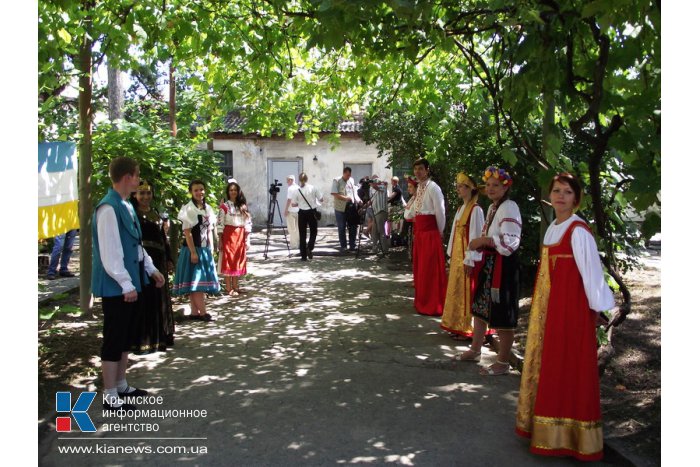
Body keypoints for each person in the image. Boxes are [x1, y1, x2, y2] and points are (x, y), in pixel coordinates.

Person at [515, 173, 615, 461]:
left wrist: (596, 309)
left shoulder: (579, 231)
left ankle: (574, 438)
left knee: (570, 367)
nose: (560, 196)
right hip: (551, 307)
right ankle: (551, 430)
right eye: (556, 190)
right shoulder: (553, 228)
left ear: (576, 198)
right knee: (553, 364)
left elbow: (592, 273)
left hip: (571, 310)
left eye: (567, 192)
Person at [91, 156, 165, 410]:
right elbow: (110, 254)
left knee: (125, 337)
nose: (139, 179)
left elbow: (135, 246)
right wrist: (125, 284)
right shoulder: (108, 208)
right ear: (127, 177)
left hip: (129, 284)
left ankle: (121, 385)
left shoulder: (127, 205)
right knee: (114, 338)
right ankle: (110, 394)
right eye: (137, 175)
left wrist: (151, 269)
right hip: (116, 287)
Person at [453, 166, 521, 376]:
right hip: (490, 264)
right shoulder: (493, 207)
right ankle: (475, 349)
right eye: (489, 185)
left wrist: (484, 241)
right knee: (480, 309)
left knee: (502, 314)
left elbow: (511, 241)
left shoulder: (509, 207)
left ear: (505, 187)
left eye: (496, 185)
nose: (490, 189)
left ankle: (502, 362)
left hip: (503, 267)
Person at [129, 180, 175, 353]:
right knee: (145, 298)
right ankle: (143, 340)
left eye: (148, 193)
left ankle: (160, 337)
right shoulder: (132, 214)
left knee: (158, 299)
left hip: (159, 261)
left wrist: (169, 258)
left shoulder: (156, 213)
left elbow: (163, 238)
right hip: (141, 262)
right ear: (135, 195)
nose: (146, 196)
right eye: (142, 193)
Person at [440, 173, 484, 340]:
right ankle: (456, 324)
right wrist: (450, 254)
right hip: (458, 257)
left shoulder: (476, 210)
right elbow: (453, 234)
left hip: (467, 257)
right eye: (457, 186)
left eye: (461, 186)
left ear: (470, 188)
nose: (458, 189)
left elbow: (476, 235)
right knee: (457, 290)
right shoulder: (460, 209)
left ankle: (468, 328)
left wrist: (471, 258)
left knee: (467, 291)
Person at [403, 158, 447, 316]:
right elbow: (414, 210)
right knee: (421, 269)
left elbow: (440, 212)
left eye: (421, 169)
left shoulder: (433, 188)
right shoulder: (420, 188)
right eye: (416, 169)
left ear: (427, 170)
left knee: (430, 270)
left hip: (430, 233)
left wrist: (439, 231)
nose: (418, 172)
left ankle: (433, 304)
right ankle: (422, 302)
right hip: (420, 233)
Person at [172, 180, 220, 321]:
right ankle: (203, 312)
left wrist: (210, 248)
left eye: (201, 189)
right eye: (196, 190)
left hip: (204, 249)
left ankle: (194, 312)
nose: (200, 192)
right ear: (191, 192)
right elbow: (188, 233)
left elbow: (209, 230)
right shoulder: (189, 209)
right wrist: (193, 252)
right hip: (192, 249)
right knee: (197, 282)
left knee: (196, 282)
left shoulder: (208, 208)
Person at [217, 181, 252, 296]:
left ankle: (236, 286)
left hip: (240, 235)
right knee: (228, 260)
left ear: (238, 192)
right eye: (231, 190)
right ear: (228, 192)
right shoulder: (224, 206)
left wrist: (247, 239)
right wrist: (220, 239)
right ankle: (228, 288)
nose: (233, 192)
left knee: (237, 260)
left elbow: (247, 223)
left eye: (235, 190)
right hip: (228, 235)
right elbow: (220, 223)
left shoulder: (242, 206)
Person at [291, 172, 324, 261]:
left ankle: (303, 256)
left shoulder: (297, 190)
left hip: (301, 213)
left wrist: (300, 203)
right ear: (307, 179)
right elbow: (321, 199)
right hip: (312, 212)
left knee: (302, 234)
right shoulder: (313, 188)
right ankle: (310, 247)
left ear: (299, 180)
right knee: (313, 231)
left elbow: (293, 204)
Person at [330, 167, 358, 252]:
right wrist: (346, 198)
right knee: (341, 227)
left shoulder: (351, 181)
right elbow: (334, 193)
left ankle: (352, 245)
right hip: (340, 208)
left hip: (350, 207)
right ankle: (343, 246)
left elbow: (354, 192)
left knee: (353, 227)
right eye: (347, 175)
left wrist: (357, 200)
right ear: (344, 173)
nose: (348, 177)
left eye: (350, 175)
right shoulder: (337, 180)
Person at [369, 175, 390, 254]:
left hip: (381, 212)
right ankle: (375, 249)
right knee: (374, 231)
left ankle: (385, 250)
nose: (372, 183)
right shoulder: (374, 191)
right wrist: (362, 208)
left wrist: (372, 183)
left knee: (381, 231)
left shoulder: (383, 187)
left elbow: (376, 187)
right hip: (375, 212)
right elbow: (371, 201)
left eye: (374, 181)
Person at [284, 175, 300, 249]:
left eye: (288, 180)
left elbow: (289, 200)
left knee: (291, 229)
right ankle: (298, 243)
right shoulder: (299, 187)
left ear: (291, 180)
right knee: (297, 228)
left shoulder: (290, 188)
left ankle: (294, 245)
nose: (287, 182)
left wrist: (286, 210)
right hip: (298, 210)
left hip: (291, 210)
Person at [387, 176, 405, 240]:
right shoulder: (395, 187)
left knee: (395, 220)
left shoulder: (397, 189)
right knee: (391, 220)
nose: (391, 182)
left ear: (394, 182)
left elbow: (390, 197)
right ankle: (390, 233)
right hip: (395, 206)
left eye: (391, 181)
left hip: (396, 206)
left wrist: (384, 200)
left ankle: (395, 234)